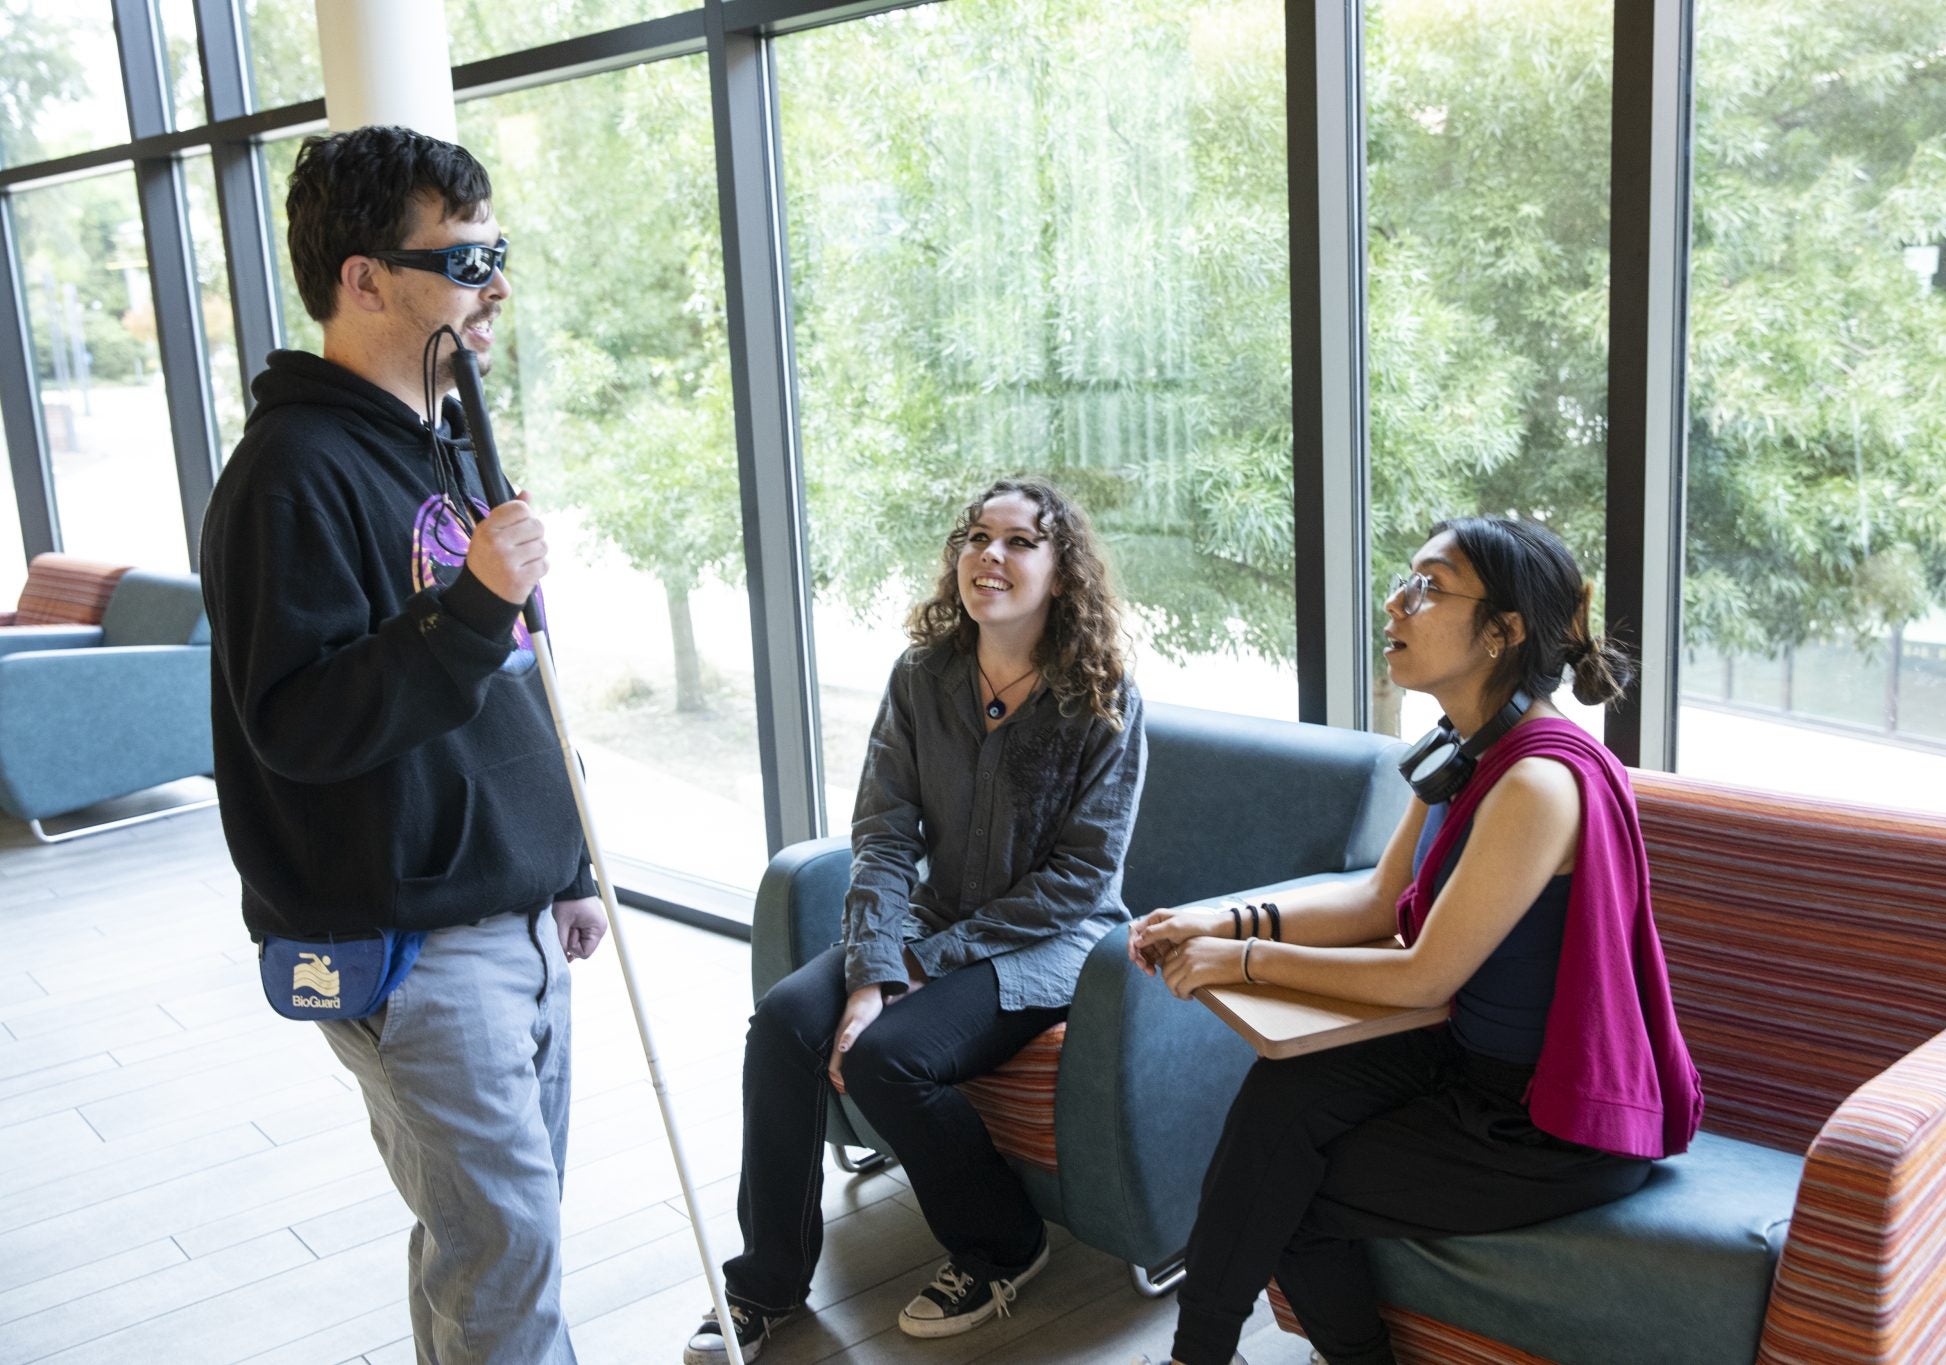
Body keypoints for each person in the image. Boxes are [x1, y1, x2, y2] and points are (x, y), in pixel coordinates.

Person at [201, 125, 606, 1364]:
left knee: (495, 1237)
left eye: (498, 252)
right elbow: (299, 723)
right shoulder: (288, 475)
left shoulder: (443, 441)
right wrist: (475, 600)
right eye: (463, 255)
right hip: (416, 942)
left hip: (516, 912)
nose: (493, 284)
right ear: (363, 277)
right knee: (504, 1247)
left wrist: (566, 864)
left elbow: (507, 683)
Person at [1127, 515, 1702, 1365]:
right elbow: (1376, 899)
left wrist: (1240, 959)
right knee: (1277, 1104)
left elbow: (1425, 975)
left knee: (1289, 1188)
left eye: (1430, 587)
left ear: (1503, 631)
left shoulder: (1538, 782)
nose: (1396, 601)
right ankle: (1201, 1354)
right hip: (1465, 1059)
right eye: (1408, 578)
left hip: (1547, 1117)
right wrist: (1222, 919)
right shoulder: (1463, 747)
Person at [687, 478, 1146, 1363]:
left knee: (888, 1054)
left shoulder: (1103, 693)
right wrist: (872, 967)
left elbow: (1085, 876)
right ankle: (765, 1281)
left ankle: (1004, 1243)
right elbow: (886, 834)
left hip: (1049, 945)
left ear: (1063, 569)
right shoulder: (922, 675)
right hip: (934, 920)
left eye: (1020, 541)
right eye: (979, 537)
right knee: (784, 1020)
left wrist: (919, 967)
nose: (992, 556)